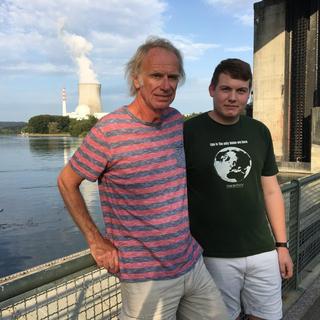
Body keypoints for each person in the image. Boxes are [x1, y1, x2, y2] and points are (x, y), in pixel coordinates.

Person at [57, 37, 228, 320]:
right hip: (146, 278)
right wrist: (96, 241)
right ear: (137, 79)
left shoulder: (175, 120)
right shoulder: (109, 131)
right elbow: (66, 181)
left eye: (173, 77)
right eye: (156, 75)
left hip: (191, 263)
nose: (166, 84)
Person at [184, 58, 294, 320]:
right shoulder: (188, 132)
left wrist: (281, 245)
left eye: (241, 90)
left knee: (267, 316)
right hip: (212, 256)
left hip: (263, 251)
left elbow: (271, 191)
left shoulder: (259, 131)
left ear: (249, 93)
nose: (233, 97)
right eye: (226, 89)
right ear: (212, 89)